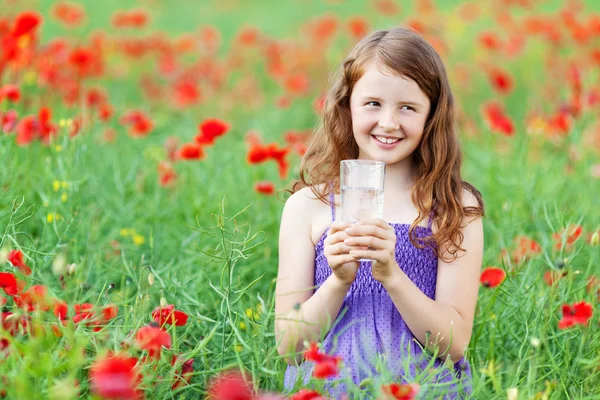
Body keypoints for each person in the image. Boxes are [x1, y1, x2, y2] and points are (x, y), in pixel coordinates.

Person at [274, 26, 484, 399]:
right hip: (327, 390)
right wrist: (337, 280)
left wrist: (391, 274)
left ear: (431, 115)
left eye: (408, 107)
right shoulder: (308, 207)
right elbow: (289, 345)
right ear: (346, 105)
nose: (388, 122)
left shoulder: (455, 208)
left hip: (423, 390)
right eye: (373, 103)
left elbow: (453, 345)